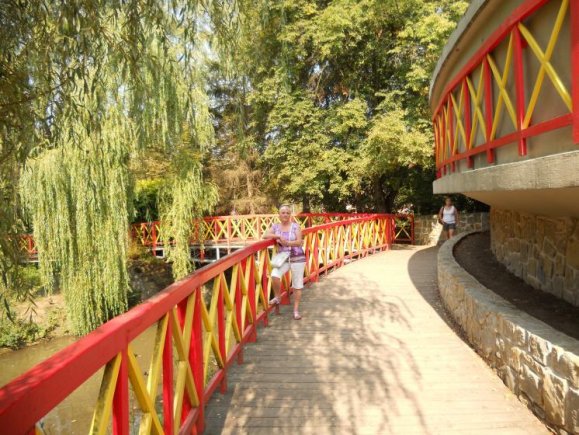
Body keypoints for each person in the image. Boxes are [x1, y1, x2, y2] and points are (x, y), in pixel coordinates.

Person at [263, 204, 306, 320]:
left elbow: (299, 242)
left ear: (290, 215)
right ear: (279, 215)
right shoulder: (276, 226)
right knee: (274, 274)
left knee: (297, 285)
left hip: (298, 258)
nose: (285, 215)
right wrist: (278, 236)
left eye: (287, 213)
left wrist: (287, 243)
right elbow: (265, 235)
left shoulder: (295, 226)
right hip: (284, 259)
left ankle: (296, 311)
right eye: (283, 213)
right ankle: (278, 297)